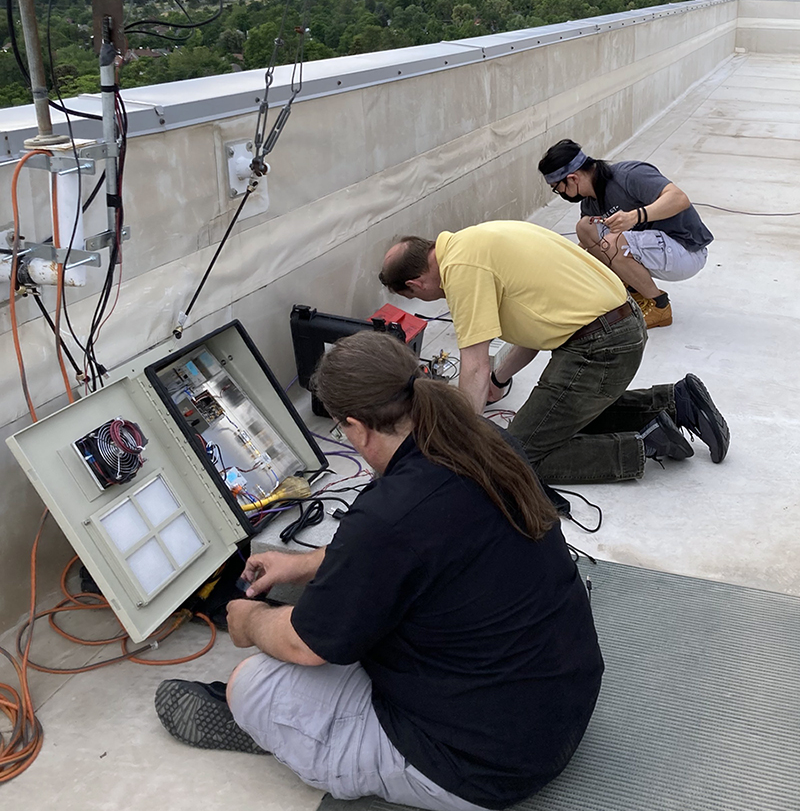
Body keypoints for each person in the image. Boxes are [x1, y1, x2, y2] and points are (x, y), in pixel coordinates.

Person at [154, 331, 604, 811]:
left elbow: (303, 646)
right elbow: (412, 549)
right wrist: (302, 565)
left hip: (481, 766)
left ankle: (281, 734)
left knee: (254, 683)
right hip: (562, 703)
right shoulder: (487, 443)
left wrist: (248, 620)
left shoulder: (391, 516)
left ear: (355, 425)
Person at [380, 222, 729, 485]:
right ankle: (676, 402)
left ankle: (645, 444)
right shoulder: (475, 240)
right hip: (618, 325)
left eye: (414, 298)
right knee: (559, 418)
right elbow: (534, 328)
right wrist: (499, 380)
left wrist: (460, 441)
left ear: (415, 285)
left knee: (515, 456)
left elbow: (473, 362)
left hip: (600, 346)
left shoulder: (459, 270)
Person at [538, 139, 714, 329]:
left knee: (613, 243)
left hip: (686, 251)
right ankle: (635, 293)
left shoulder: (629, 175)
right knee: (585, 228)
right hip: (657, 252)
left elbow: (679, 199)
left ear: (572, 178)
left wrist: (635, 216)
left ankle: (659, 304)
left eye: (558, 188)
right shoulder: (590, 204)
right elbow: (591, 247)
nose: (560, 193)